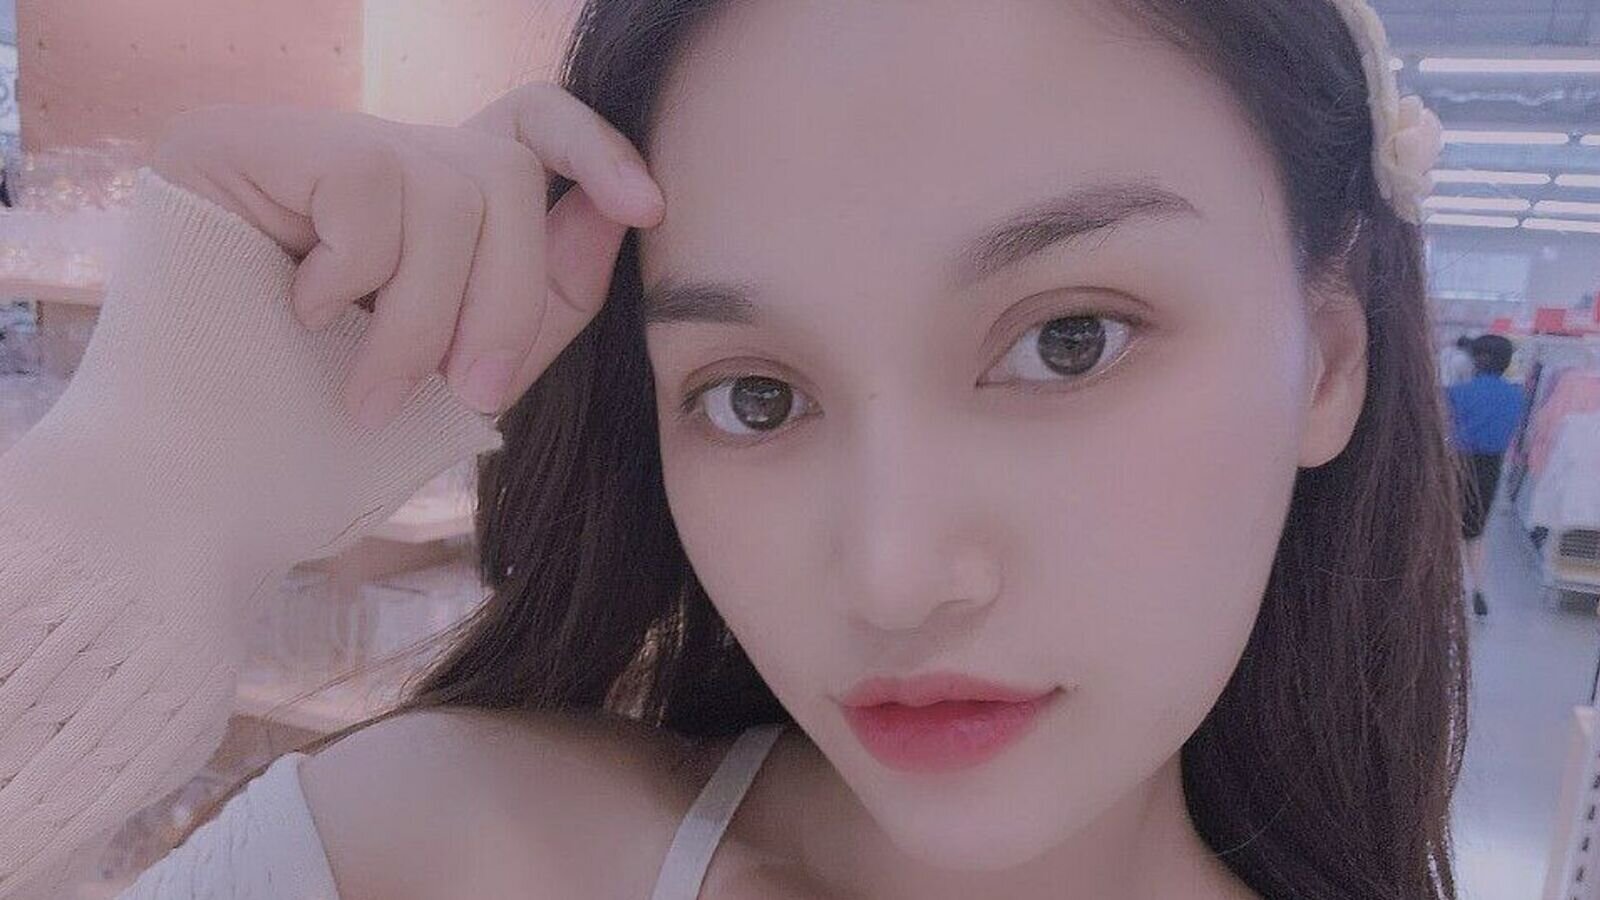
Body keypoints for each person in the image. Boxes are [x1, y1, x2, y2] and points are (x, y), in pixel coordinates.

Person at [0, 1, 1469, 898]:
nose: (893, 577)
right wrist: (141, 497)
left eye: (1068, 342)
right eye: (754, 398)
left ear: (1330, 361)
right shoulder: (439, 853)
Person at [1446, 334, 1526, 617]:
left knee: (1446, 528)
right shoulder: (1516, 395)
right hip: (1492, 467)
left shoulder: (1457, 392)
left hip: (1457, 463)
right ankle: (1478, 589)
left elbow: (1443, 427)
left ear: (1478, 360)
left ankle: (1445, 588)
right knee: (1476, 531)